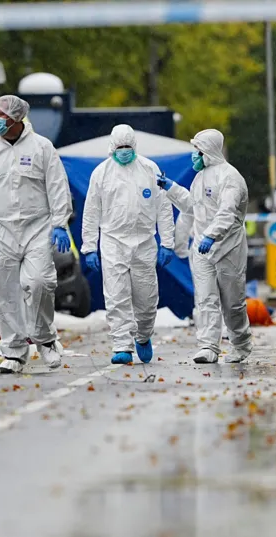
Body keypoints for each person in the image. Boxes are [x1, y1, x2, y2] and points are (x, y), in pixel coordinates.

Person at [0, 95, 72, 374]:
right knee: (4, 290)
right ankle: (14, 352)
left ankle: (46, 340)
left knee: (39, 283)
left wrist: (60, 223)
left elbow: (57, 185)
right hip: (0, 230)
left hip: (37, 227)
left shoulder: (42, 148)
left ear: (15, 118)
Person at [81, 125, 176, 365]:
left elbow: (163, 208)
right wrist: (90, 246)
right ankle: (121, 344)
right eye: (120, 148)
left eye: (128, 147)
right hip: (113, 240)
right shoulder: (101, 173)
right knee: (116, 295)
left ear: (135, 146)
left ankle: (143, 335)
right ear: (112, 147)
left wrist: (167, 242)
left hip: (144, 241)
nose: (124, 152)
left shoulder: (149, 169)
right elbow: (91, 212)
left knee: (146, 298)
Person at [157, 129, 253, 364]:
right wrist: (171, 188)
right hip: (202, 249)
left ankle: (240, 344)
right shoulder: (200, 177)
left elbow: (227, 212)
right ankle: (208, 346)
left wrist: (212, 235)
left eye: (196, 151)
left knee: (233, 302)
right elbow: (192, 207)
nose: (193, 156)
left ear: (207, 151)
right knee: (205, 298)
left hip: (228, 248)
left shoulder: (230, 177)